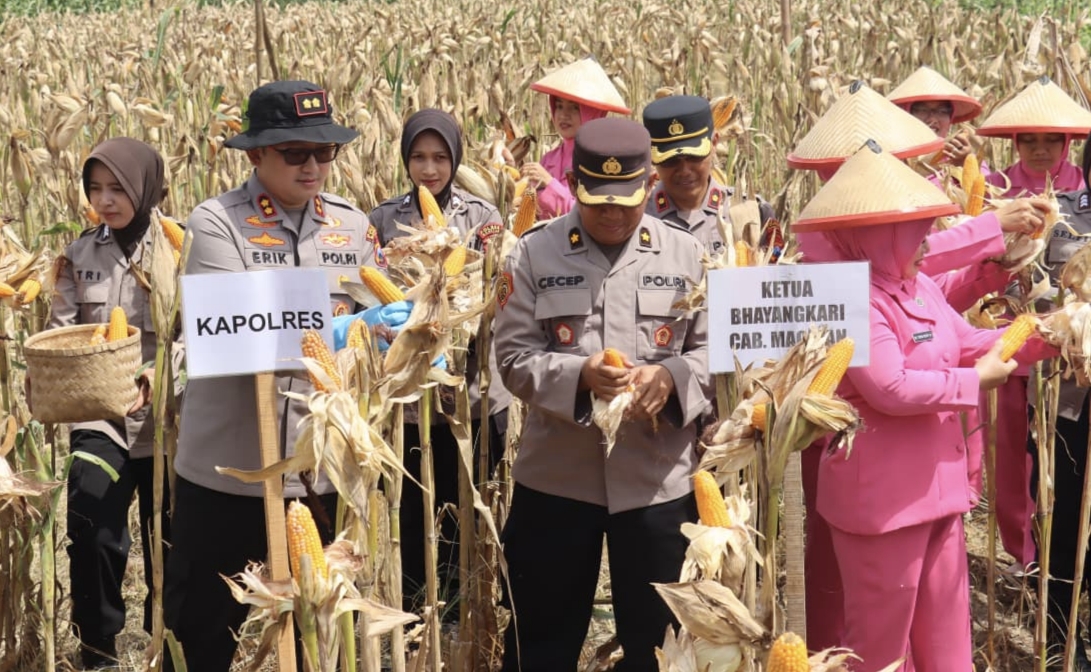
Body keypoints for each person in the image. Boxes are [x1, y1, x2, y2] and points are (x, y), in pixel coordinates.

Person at [162, 80, 394, 672]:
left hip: (319, 471)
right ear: (255, 156)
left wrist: (401, 332)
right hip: (230, 472)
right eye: (295, 153)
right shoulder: (217, 224)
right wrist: (339, 332)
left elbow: (379, 324)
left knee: (325, 632)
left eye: (325, 151)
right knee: (204, 630)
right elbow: (229, 330)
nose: (314, 165)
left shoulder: (351, 225)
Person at [796, 141, 1054, 672]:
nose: (927, 243)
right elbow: (889, 387)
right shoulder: (852, 299)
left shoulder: (917, 290)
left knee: (946, 638)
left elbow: (970, 342)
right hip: (883, 506)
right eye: (917, 232)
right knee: (880, 645)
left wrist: (1047, 337)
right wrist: (971, 382)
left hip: (939, 492)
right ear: (878, 234)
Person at [494, 118, 709, 671]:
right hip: (557, 480)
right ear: (576, 185)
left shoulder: (688, 255)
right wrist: (578, 376)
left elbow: (717, 358)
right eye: (596, 203)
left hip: (658, 482)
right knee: (540, 641)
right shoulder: (532, 254)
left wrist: (673, 378)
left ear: (648, 186)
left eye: (626, 202)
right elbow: (513, 359)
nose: (612, 215)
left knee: (663, 647)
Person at [368, 108, 512, 613]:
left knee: (463, 497)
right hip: (410, 386)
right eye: (418, 157)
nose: (429, 169)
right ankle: (414, 600)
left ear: (455, 158)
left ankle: (465, 600)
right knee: (411, 500)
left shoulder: (484, 217)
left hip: (469, 384)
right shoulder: (383, 219)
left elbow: (495, 289)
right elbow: (371, 292)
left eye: (440, 157)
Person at [48, 138, 170, 670]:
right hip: (101, 416)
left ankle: (168, 642)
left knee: (170, 539)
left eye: (117, 188)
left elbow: (202, 330)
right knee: (92, 529)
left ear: (144, 186)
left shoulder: (182, 246)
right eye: (95, 189)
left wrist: (162, 371)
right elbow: (60, 332)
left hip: (170, 417)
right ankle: (98, 648)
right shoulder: (78, 254)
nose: (105, 200)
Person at [974, 75, 1091, 575]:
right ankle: (1024, 556)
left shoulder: (1085, 195)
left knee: (1064, 462)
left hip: (1072, 354)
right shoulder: (993, 191)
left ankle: (1062, 559)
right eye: (1029, 140)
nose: (1041, 149)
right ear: (1015, 143)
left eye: (1052, 140)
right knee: (1012, 456)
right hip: (1011, 344)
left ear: (1068, 144)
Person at [1030, 132, 1091, 669]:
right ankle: (1059, 643)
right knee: (1063, 522)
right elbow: (1033, 294)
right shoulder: (1064, 219)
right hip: (1069, 406)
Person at [641, 95, 775, 256]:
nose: (684, 170)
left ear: (714, 143)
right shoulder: (637, 217)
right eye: (671, 160)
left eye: (694, 156)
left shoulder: (753, 212)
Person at [522, 56, 630, 220]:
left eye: (574, 108)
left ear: (593, 113)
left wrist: (549, 184)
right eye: (559, 106)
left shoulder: (604, 162)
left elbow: (589, 214)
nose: (563, 115)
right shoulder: (549, 159)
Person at [887, 65, 984, 169]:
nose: (932, 119)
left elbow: (985, 184)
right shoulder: (888, 157)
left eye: (942, 111)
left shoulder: (968, 158)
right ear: (906, 115)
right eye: (922, 110)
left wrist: (965, 166)